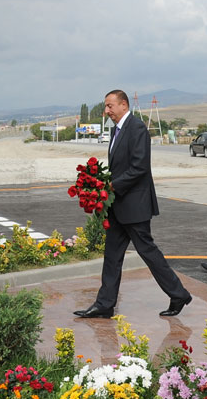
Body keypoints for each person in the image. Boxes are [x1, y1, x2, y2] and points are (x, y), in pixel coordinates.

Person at [74, 89, 192, 318]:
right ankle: (104, 304)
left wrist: (111, 186)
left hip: (135, 205)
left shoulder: (137, 128)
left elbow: (139, 167)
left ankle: (179, 294)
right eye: (106, 106)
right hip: (118, 205)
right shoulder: (116, 130)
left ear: (124, 105)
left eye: (110, 106)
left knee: (148, 252)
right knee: (112, 256)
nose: (107, 111)